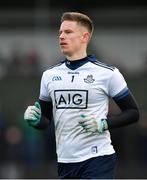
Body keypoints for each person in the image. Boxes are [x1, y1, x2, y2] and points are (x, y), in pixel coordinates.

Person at [24, 12, 140, 179]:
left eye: (68, 32)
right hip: (65, 161)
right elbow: (46, 120)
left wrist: (103, 124)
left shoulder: (108, 73)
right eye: (60, 33)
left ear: (84, 37)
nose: (62, 36)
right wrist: (35, 121)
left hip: (98, 159)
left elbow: (133, 112)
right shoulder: (49, 75)